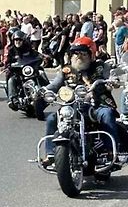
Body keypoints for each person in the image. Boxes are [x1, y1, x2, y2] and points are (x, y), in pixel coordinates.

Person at [42, 37, 125, 167]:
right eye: (76, 53)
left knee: (107, 114)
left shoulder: (101, 66)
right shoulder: (66, 70)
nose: (79, 56)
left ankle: (110, 152)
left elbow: (110, 76)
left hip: (98, 104)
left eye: (83, 53)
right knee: (53, 118)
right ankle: (51, 154)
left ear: (91, 54)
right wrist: (41, 91)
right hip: (72, 105)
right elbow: (54, 85)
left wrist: (112, 81)